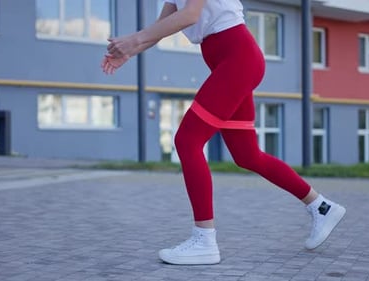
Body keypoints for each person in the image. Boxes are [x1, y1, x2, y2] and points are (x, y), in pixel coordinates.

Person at [102, 0, 346, 265]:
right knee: (247, 155)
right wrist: (131, 50)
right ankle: (321, 207)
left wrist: (134, 39)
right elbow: (162, 26)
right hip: (229, 61)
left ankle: (204, 240)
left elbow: (191, 14)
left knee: (187, 141)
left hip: (237, 57)